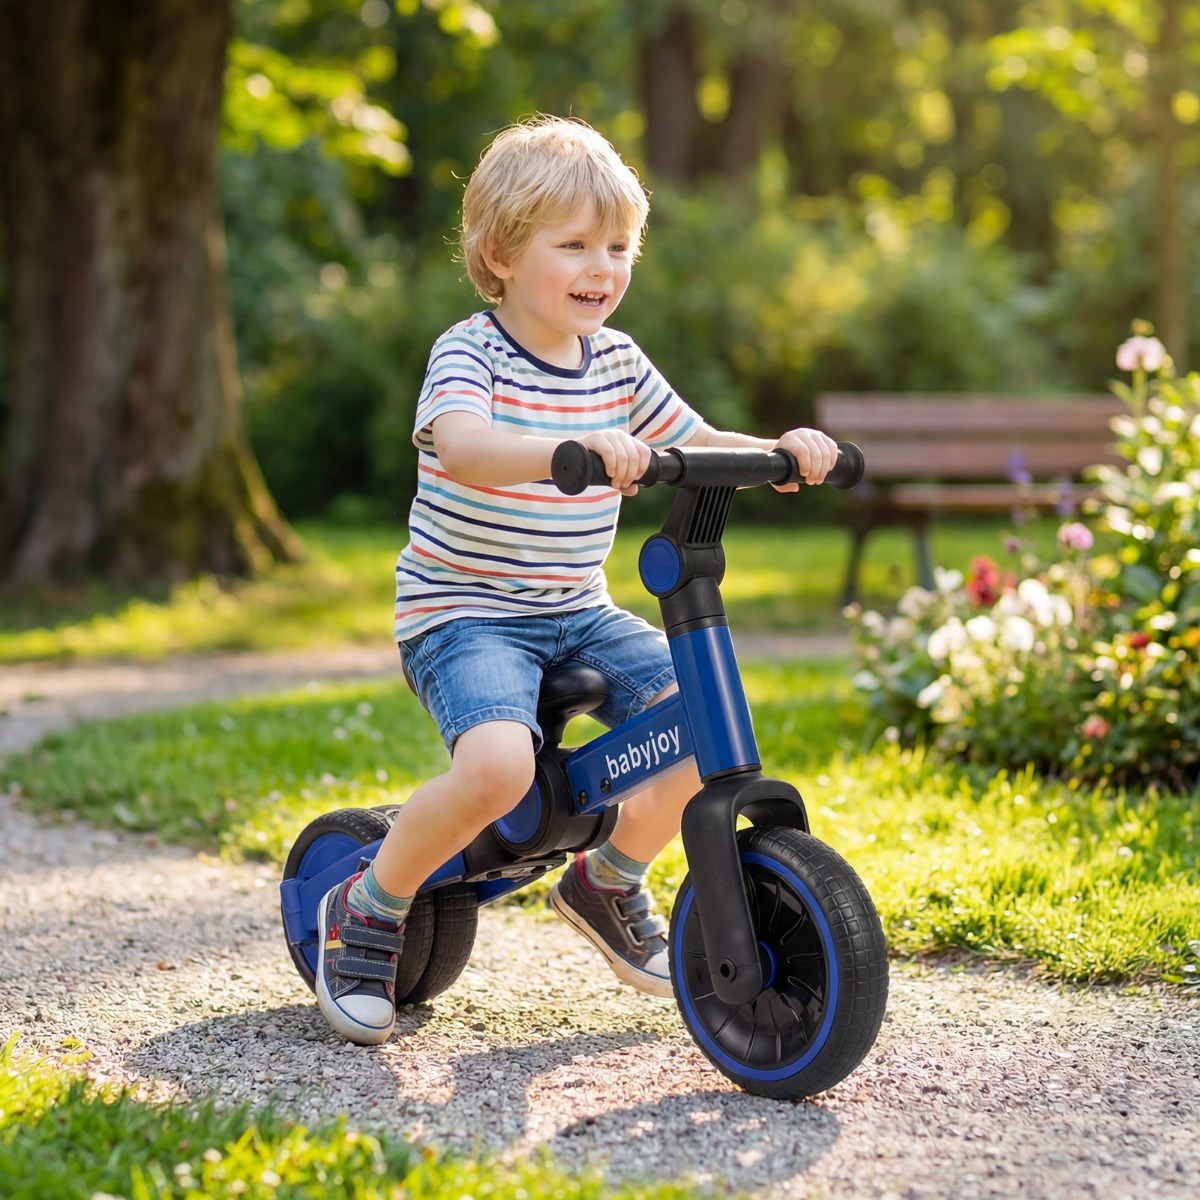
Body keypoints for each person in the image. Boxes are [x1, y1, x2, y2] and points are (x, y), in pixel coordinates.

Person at [315, 115, 838, 1044]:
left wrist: (781, 450)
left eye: (619, 246)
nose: (604, 265)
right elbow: (467, 445)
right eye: (575, 245)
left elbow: (697, 438)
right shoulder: (469, 353)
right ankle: (370, 905)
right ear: (500, 254)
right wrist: (566, 449)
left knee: (706, 717)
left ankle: (606, 880)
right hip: (465, 615)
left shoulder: (619, 361)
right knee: (496, 770)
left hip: (575, 611)